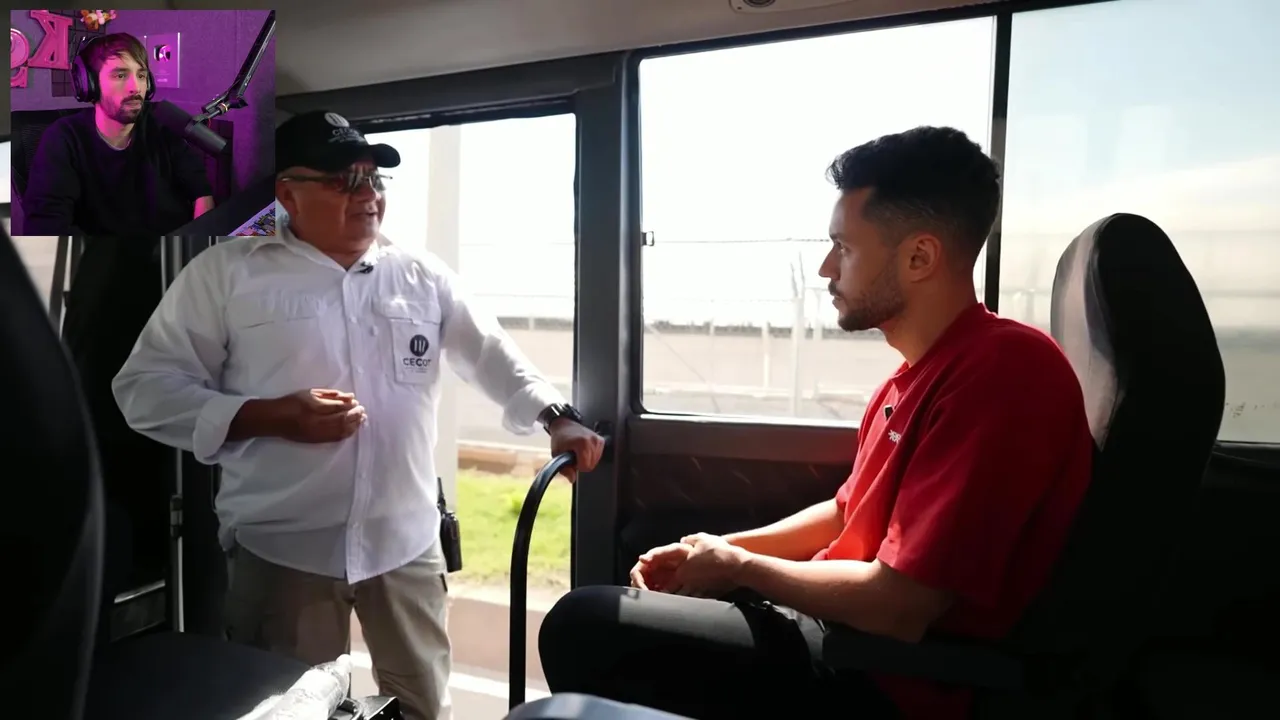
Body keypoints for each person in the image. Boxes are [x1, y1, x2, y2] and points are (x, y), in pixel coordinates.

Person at [536, 127, 1094, 720]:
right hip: (845, 638)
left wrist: (742, 569)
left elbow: (901, 608)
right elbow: (847, 513)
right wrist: (719, 547)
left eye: (844, 248)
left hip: (889, 678)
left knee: (583, 626)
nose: (827, 268)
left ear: (920, 257)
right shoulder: (909, 378)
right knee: (618, 595)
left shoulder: (1004, 371)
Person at [111, 110, 606, 720]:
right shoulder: (227, 274)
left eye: (374, 179)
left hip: (406, 545)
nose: (367, 194)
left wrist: (555, 416)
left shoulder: (420, 275)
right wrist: (266, 415)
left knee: (424, 706)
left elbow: (491, 353)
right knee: (289, 709)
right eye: (343, 180)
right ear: (287, 193)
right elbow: (144, 389)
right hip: (284, 550)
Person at [18, 32, 214, 236]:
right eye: (120, 75)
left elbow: (201, 191)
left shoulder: (161, 123)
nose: (135, 88)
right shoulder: (63, 139)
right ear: (90, 85)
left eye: (141, 76)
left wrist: (197, 240)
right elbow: (46, 228)